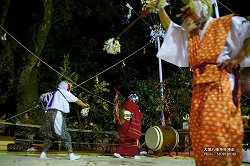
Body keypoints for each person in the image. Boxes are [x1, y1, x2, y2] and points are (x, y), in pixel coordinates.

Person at [150, 0, 250, 165]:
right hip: (198, 93)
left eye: (189, 9)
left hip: (219, 88)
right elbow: (172, 31)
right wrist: (160, 8)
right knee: (199, 137)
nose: (185, 13)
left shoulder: (227, 24)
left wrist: (238, 59)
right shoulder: (192, 36)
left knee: (217, 136)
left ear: (202, 9)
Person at [39, 81, 90, 160]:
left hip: (47, 114)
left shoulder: (53, 92)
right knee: (65, 135)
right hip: (56, 114)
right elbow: (76, 100)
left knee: (51, 136)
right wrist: (84, 105)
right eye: (69, 87)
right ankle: (71, 155)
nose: (70, 89)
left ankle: (43, 153)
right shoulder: (63, 92)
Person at [114, 90, 143, 159]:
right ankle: (120, 152)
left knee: (126, 140)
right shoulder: (133, 105)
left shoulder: (125, 104)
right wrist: (139, 113)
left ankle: (130, 154)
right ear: (133, 97)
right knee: (130, 139)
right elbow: (136, 114)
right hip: (128, 124)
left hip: (123, 123)